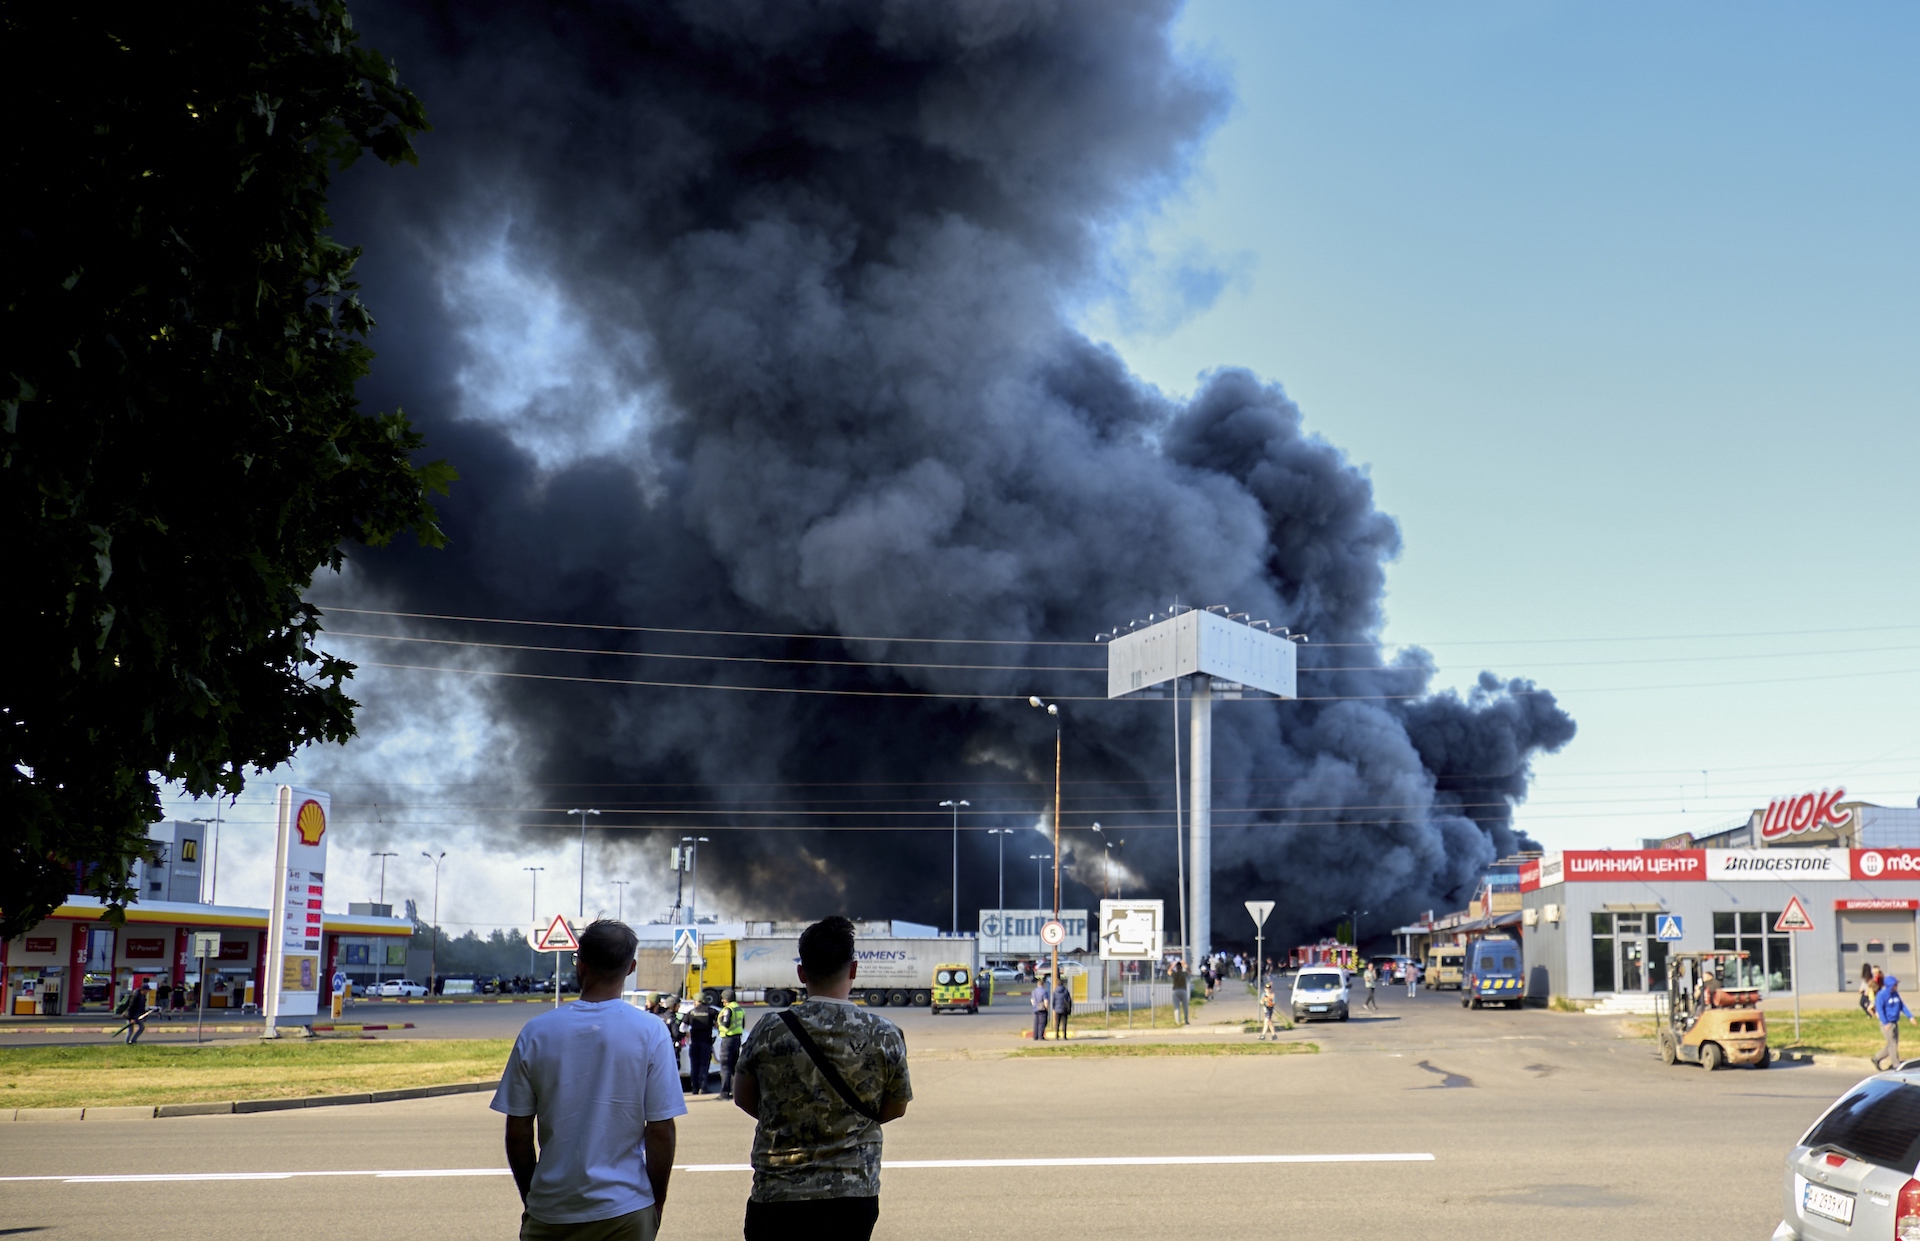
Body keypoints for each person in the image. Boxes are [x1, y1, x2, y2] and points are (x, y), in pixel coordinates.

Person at [493, 919, 684, 1241]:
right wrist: (657, 1201)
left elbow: (518, 1132)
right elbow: (661, 1129)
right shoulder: (650, 1031)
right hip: (625, 1211)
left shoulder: (537, 1032)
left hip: (550, 1211)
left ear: (580, 965)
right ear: (631, 968)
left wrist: (533, 1197)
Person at [733, 916, 912, 1241]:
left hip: (778, 1192)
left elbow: (743, 1097)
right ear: (854, 970)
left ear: (801, 973)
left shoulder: (770, 1028)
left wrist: (792, 1118)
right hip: (852, 1193)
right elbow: (896, 1107)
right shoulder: (883, 1033)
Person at [1873, 976, 1918, 1072]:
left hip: (1894, 1021)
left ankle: (1876, 1058)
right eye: (1895, 985)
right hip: (1887, 1023)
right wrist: (1885, 1023)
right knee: (1892, 1044)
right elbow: (1880, 1010)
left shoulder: (1895, 994)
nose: (1896, 986)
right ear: (1890, 985)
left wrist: (1910, 1017)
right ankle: (1896, 1064)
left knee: (1892, 1044)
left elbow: (1902, 1006)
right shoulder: (1881, 995)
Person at [684, 994, 717, 1097]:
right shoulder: (711, 1011)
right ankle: (703, 1087)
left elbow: (682, 1027)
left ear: (696, 1001)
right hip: (706, 1042)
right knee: (704, 1065)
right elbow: (718, 1024)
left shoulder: (690, 1012)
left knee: (694, 1066)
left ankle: (694, 1088)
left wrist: (687, 1034)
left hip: (694, 1043)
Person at [716, 990, 746, 1100]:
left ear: (726, 999)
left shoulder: (728, 1009)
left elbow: (726, 1023)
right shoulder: (739, 1008)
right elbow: (742, 1024)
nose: (722, 1001)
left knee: (725, 1067)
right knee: (734, 1066)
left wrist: (720, 1022)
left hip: (727, 1039)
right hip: (737, 1039)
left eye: (723, 999)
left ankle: (724, 1093)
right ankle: (735, 1092)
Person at [1051, 973, 1073, 1041]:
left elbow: (1053, 1000)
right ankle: (1064, 1036)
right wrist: (1069, 1008)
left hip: (1057, 1009)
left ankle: (1056, 1036)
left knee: (1057, 1023)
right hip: (1064, 1009)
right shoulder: (1066, 991)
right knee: (1064, 1023)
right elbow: (1069, 1000)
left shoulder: (1055, 992)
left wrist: (1053, 1007)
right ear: (1063, 984)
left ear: (1057, 984)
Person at [1030, 973, 1050, 1041]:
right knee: (1042, 1023)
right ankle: (1040, 1036)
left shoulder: (1034, 991)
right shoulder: (1044, 992)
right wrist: (1047, 1008)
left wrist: (1034, 1006)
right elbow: (1046, 1001)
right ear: (1043, 984)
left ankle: (1035, 1036)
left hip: (1035, 1008)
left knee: (1036, 1023)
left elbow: (1032, 1000)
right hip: (1042, 1008)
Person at [1169, 959, 1189, 1025]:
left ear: (1176, 968)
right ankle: (1186, 1020)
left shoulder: (1174, 974)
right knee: (1185, 1007)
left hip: (1176, 991)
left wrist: (1173, 965)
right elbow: (1190, 972)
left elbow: (1168, 971)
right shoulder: (1184, 974)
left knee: (1176, 1007)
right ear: (1181, 967)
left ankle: (1178, 1022)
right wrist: (1185, 965)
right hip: (1183, 990)